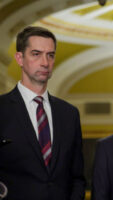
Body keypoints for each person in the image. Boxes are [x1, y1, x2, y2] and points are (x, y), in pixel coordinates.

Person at [0, 26, 85, 199]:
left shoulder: (69, 114)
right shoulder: (2, 109)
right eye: (36, 54)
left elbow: (77, 177)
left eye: (50, 55)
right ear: (20, 58)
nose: (45, 62)